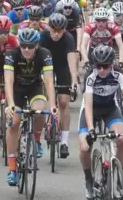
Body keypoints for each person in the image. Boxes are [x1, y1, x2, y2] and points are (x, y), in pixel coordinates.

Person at [79, 45, 123, 199]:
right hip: (92, 109)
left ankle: (121, 182)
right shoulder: (90, 76)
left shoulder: (118, 74)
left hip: (109, 108)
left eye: (106, 66)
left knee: (121, 139)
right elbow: (88, 105)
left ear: (112, 64)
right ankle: (89, 180)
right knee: (84, 147)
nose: (102, 70)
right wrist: (91, 129)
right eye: (98, 66)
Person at [3, 28, 58, 186]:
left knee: (40, 110)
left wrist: (53, 105)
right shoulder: (11, 54)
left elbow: (48, 81)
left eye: (31, 46)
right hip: (17, 90)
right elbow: (8, 81)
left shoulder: (45, 54)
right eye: (24, 46)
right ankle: (12, 169)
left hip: (35, 87)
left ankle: (37, 140)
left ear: (37, 45)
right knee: (14, 123)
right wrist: (11, 104)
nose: (27, 49)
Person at [39, 13, 78, 158]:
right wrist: (40, 74)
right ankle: (47, 123)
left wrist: (74, 79)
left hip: (62, 67)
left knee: (63, 102)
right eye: (53, 29)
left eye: (59, 30)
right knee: (47, 95)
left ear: (64, 30)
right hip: (46, 66)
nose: (56, 33)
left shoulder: (68, 38)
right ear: (49, 27)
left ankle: (64, 142)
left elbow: (71, 60)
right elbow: (38, 57)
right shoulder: (43, 36)